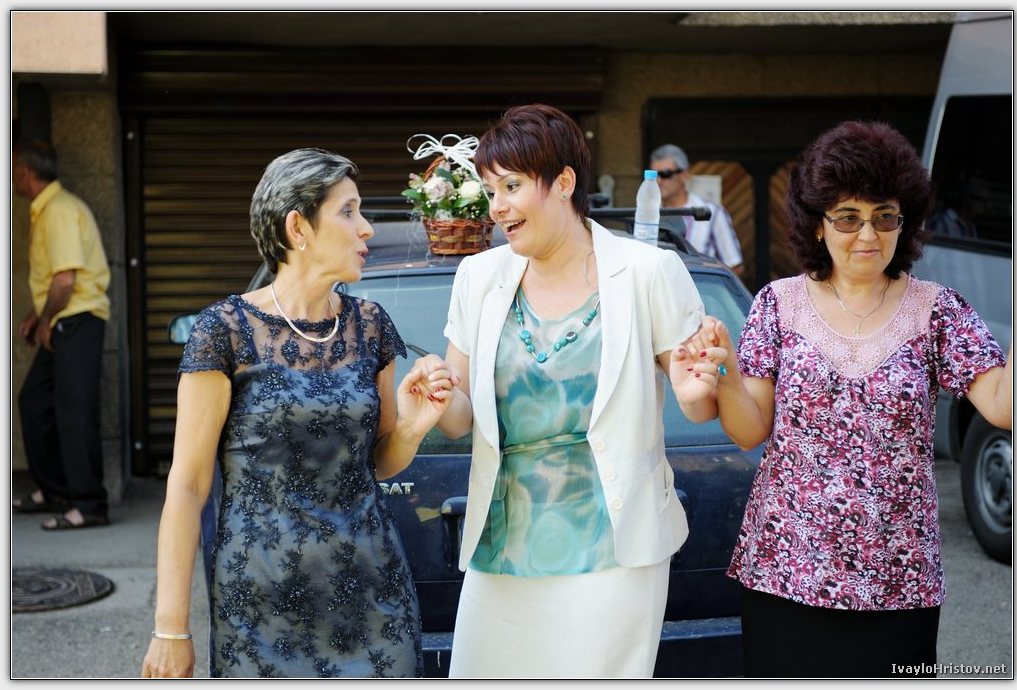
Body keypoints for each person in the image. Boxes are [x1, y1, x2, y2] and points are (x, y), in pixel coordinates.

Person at [676, 121, 1012, 678]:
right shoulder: (777, 305)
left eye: (885, 216)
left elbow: (1002, 405)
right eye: (848, 217)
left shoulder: (937, 310)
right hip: (786, 569)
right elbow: (749, 429)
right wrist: (727, 376)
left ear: (904, 222)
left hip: (899, 577)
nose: (868, 234)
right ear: (817, 223)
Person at [413, 104, 707, 678]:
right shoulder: (478, 277)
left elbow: (695, 402)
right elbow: (460, 419)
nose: (497, 207)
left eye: (512, 186)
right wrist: (439, 396)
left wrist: (699, 384)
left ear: (565, 182)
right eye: (490, 191)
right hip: (502, 545)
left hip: (612, 551)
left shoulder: (648, 271)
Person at [140, 148, 455, 678]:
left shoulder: (370, 326)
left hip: (373, 599)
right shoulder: (225, 331)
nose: (367, 229)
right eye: (349, 211)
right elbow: (188, 486)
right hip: (259, 610)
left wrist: (414, 427)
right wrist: (171, 628)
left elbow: (378, 463)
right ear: (298, 227)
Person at [12, 138, 111, 530]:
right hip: (63, 319)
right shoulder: (48, 209)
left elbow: (66, 281)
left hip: (77, 320)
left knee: (75, 412)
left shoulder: (58, 210)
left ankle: (89, 505)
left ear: (23, 172)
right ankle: (56, 490)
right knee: (34, 402)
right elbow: (57, 279)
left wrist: (44, 321)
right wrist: (37, 316)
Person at [649, 143, 745, 277]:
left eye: (665, 174)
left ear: (684, 175)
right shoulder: (648, 214)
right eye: (653, 175)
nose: (658, 181)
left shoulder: (711, 212)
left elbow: (734, 266)